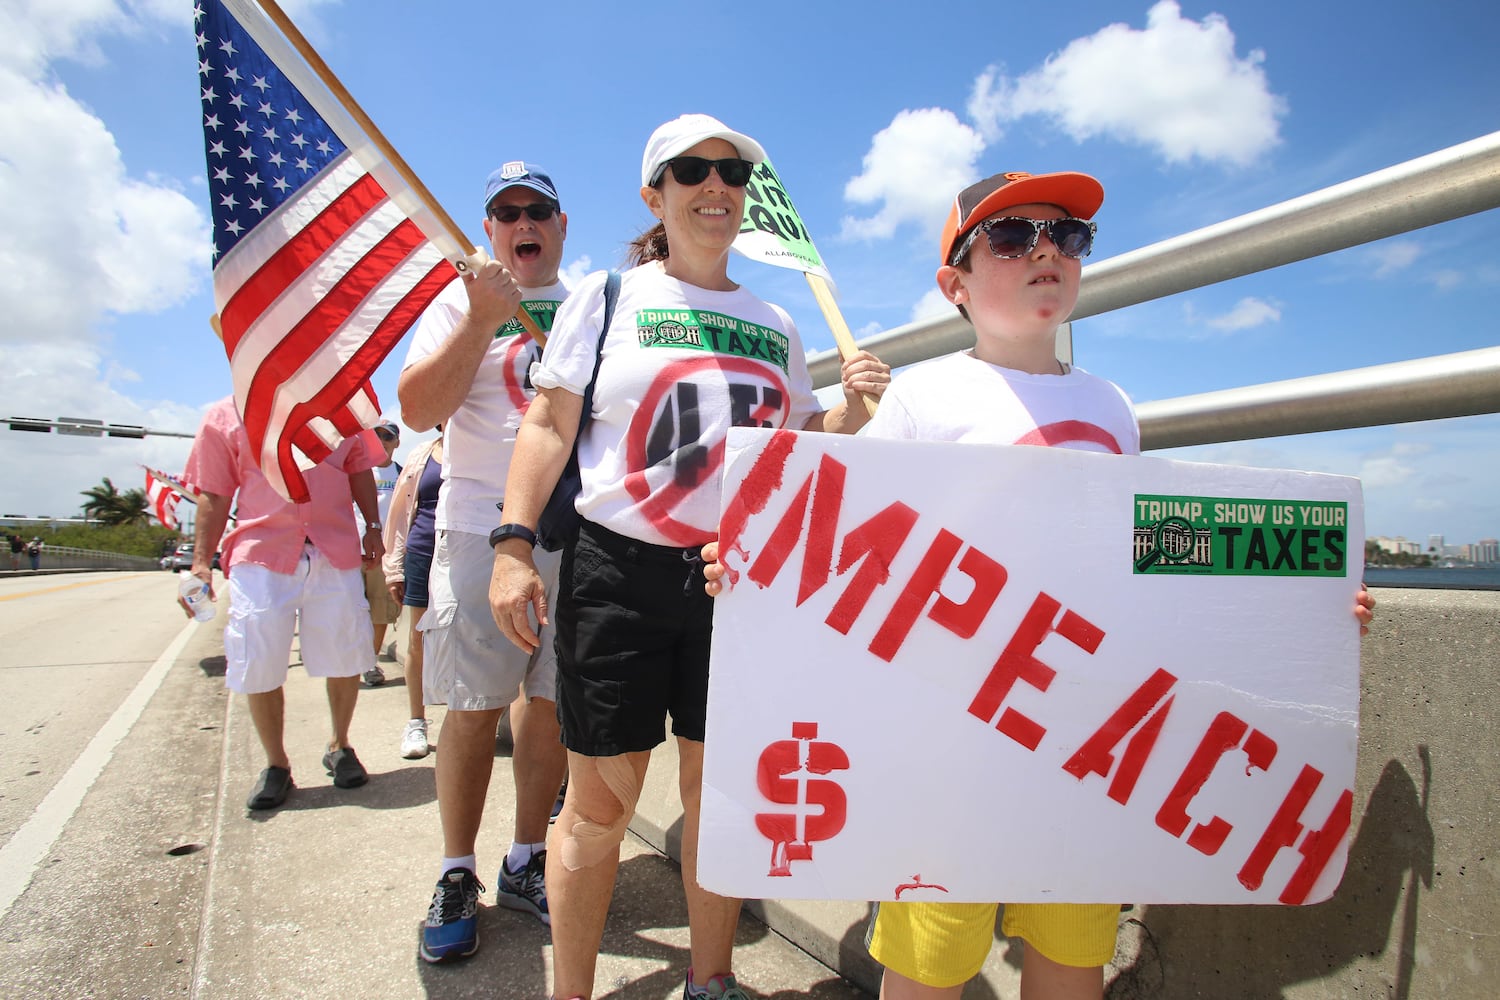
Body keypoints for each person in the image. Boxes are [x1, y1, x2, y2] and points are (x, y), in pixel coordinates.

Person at [706, 168, 1378, 1000]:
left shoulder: (1113, 405)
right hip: (949, 741)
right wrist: (751, 570)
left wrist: (1304, 602)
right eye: (1011, 237)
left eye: (1068, 236)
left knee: (1074, 947)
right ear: (954, 284)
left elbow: (1149, 560)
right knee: (929, 959)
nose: (1046, 251)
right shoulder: (922, 400)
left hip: (1089, 736)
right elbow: (847, 554)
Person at [487, 114, 890, 1000]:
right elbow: (548, 422)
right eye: (692, 170)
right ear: (655, 195)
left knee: (718, 798)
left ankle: (711, 981)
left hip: (737, 584)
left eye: (732, 173)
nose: (717, 185)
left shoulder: (777, 322)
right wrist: (512, 546)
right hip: (616, 574)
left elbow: (797, 440)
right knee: (598, 810)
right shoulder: (609, 298)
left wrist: (851, 416)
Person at [397, 161, 571, 963]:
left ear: (561, 227)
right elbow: (418, 409)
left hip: (573, 533)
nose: (523, 222)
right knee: (472, 705)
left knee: (552, 702)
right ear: (489, 231)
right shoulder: (453, 303)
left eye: (538, 210)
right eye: (508, 213)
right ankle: (456, 869)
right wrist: (479, 319)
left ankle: (527, 856)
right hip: (478, 529)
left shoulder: (592, 306)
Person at [182, 396, 385, 811]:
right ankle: (276, 764)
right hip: (261, 552)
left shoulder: (341, 405)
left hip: (333, 548)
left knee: (345, 653)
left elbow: (359, 468)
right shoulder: (224, 415)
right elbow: (215, 492)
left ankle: (340, 745)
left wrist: (373, 526)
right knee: (258, 659)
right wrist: (201, 563)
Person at [382, 429, 444, 759]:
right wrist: (394, 567)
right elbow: (399, 512)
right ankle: (416, 721)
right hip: (422, 552)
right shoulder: (421, 454)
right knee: (417, 639)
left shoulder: (486, 444)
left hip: (469, 553)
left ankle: (472, 719)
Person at [361, 420, 404, 687]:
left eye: (387, 437)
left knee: (379, 613)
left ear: (397, 443)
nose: (381, 442)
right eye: (376, 437)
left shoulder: (403, 473)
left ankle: (369, 663)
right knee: (352, 611)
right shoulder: (357, 471)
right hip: (353, 552)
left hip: (385, 554)